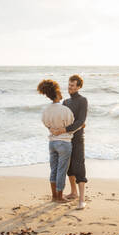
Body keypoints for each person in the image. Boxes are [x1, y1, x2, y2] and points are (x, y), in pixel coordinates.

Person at [50, 74, 88, 209]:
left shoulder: (83, 100)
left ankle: (82, 199)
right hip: (66, 140)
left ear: (78, 87)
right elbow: (63, 119)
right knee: (69, 167)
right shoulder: (65, 102)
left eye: (72, 85)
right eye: (69, 85)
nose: (69, 87)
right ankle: (73, 192)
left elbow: (80, 121)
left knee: (79, 166)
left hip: (77, 139)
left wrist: (65, 129)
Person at [37, 79, 75, 203]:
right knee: (61, 170)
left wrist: (51, 128)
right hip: (64, 143)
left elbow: (46, 123)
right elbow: (71, 126)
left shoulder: (46, 110)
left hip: (52, 143)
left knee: (53, 169)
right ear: (57, 93)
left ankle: (54, 196)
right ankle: (60, 196)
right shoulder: (65, 110)